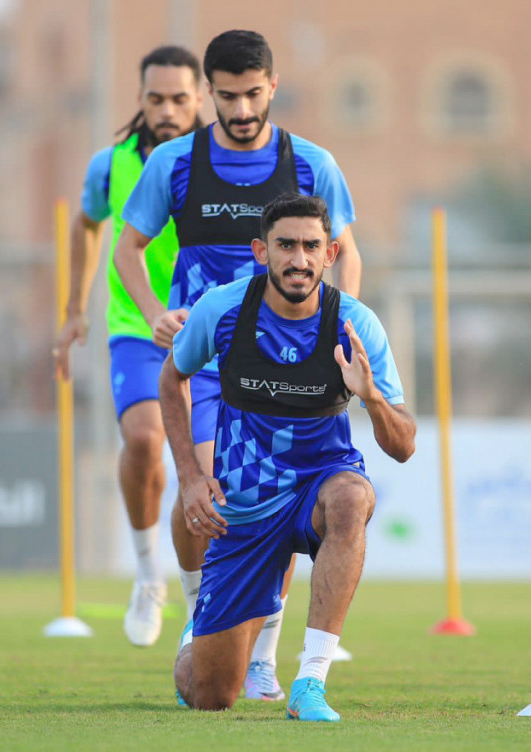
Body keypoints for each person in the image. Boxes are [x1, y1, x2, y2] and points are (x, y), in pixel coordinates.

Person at [115, 29, 363, 699]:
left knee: (276, 493)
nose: (242, 109)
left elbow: (346, 253)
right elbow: (127, 248)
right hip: (207, 363)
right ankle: (202, 611)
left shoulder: (312, 163)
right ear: (209, 94)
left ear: (273, 86)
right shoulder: (175, 162)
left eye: (253, 94)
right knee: (213, 491)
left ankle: (265, 654)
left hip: (288, 362)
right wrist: (152, 313)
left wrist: (338, 333)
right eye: (227, 97)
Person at [160, 193, 414, 719]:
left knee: (352, 497)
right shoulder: (222, 309)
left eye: (311, 246)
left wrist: (370, 398)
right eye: (286, 245)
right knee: (210, 695)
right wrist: (189, 475)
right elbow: (172, 378)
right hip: (245, 510)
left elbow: (404, 445)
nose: (299, 259)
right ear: (261, 251)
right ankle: (197, 634)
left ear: (331, 253)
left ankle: (310, 683)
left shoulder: (356, 324)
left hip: (318, 487)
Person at [53, 45, 203, 647]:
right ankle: (147, 576)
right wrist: (73, 310)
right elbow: (87, 224)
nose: (166, 110)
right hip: (137, 328)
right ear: (139, 98)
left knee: (206, 468)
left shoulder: (222, 162)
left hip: (208, 331)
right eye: (155, 98)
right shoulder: (110, 165)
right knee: (144, 440)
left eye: (179, 99)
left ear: (200, 99)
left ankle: (202, 602)